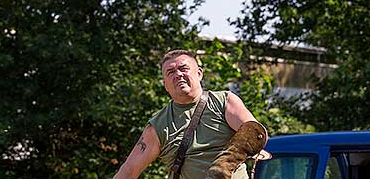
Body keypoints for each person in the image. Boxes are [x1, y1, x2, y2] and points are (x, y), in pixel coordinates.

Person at [113, 49, 267, 179]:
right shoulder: (157, 126)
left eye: (183, 68)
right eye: (171, 72)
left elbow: (254, 133)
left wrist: (223, 167)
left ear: (199, 73)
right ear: (165, 84)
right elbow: (128, 171)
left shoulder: (224, 102)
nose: (178, 74)